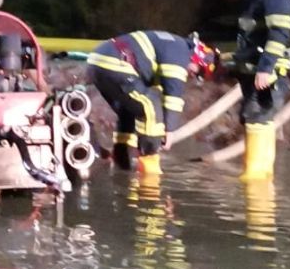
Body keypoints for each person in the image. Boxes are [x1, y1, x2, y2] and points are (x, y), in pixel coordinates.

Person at [87, 31, 214, 175]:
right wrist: (169, 130)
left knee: (129, 109)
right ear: (197, 58)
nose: (194, 76)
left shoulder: (172, 45)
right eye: (199, 72)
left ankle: (122, 160)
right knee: (152, 107)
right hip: (115, 63)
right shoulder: (180, 53)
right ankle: (150, 172)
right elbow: (173, 95)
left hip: (97, 63)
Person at [223, 0, 290, 182]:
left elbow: (279, 35)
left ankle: (257, 180)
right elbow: (252, 36)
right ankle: (257, 177)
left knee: (258, 117)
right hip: (252, 70)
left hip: (267, 74)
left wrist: (265, 68)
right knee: (252, 117)